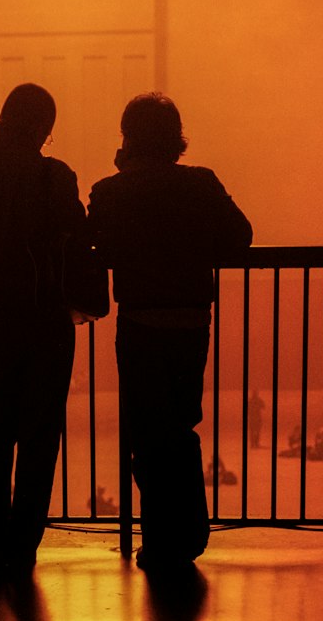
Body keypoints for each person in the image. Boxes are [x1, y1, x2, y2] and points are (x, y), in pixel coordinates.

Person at [0, 83, 104, 577]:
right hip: (46, 322)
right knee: (39, 433)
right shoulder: (53, 174)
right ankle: (22, 549)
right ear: (42, 128)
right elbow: (79, 235)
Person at [88, 93, 252, 570]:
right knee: (181, 427)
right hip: (191, 322)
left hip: (140, 322)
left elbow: (100, 243)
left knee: (147, 433)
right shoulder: (201, 184)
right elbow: (239, 236)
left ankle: (163, 539)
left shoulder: (111, 190)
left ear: (128, 138)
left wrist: (123, 175)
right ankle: (188, 534)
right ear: (176, 138)